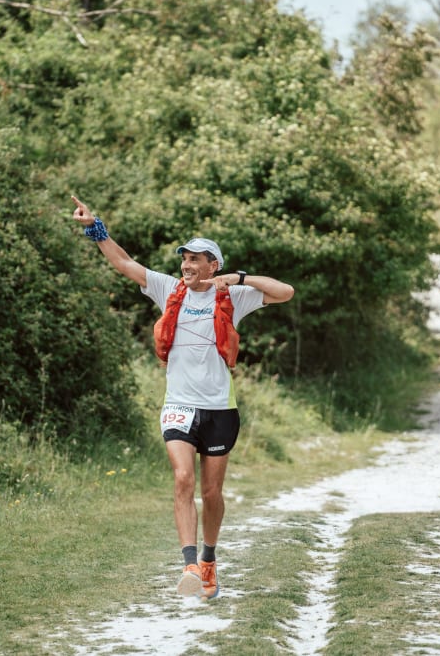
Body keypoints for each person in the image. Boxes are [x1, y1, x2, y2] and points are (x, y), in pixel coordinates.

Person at [71, 195, 294, 600]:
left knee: (211, 493)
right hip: (178, 406)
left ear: (213, 265)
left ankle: (208, 560)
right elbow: (124, 263)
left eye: (196, 259)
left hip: (220, 409)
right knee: (182, 478)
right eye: (185, 259)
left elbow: (286, 292)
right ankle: (189, 564)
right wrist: (94, 227)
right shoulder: (168, 288)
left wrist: (238, 280)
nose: (187, 265)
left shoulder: (232, 297)